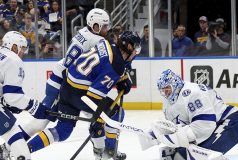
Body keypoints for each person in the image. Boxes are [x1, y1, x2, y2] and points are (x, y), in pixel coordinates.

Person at [11, 8, 125, 159]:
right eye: (104, 26)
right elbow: (111, 59)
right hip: (64, 85)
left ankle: (101, 152)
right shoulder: (98, 41)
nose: (106, 29)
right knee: (41, 123)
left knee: (81, 122)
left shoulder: (84, 32)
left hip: (63, 81)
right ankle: (11, 146)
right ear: (95, 25)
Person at [27, 31, 141, 160]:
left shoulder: (107, 43)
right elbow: (94, 96)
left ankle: (25, 149)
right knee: (115, 113)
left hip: (67, 87)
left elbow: (102, 65)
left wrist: (121, 78)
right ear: (129, 47)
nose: (137, 51)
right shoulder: (116, 65)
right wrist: (98, 120)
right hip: (82, 94)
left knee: (62, 131)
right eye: (136, 47)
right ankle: (110, 149)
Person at [142, 69, 238, 159]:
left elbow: (204, 127)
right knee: (174, 154)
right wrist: (157, 133)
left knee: (198, 156)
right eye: (163, 91)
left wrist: (175, 138)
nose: (166, 93)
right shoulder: (167, 103)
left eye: (168, 89)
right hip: (211, 127)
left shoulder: (192, 93)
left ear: (175, 84)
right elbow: (174, 128)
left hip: (228, 124)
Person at [0, 31, 48, 160]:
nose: (23, 53)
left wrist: (6, 103)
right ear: (14, 46)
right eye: (22, 48)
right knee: (21, 153)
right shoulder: (13, 59)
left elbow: (7, 97)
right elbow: (13, 96)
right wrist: (35, 107)